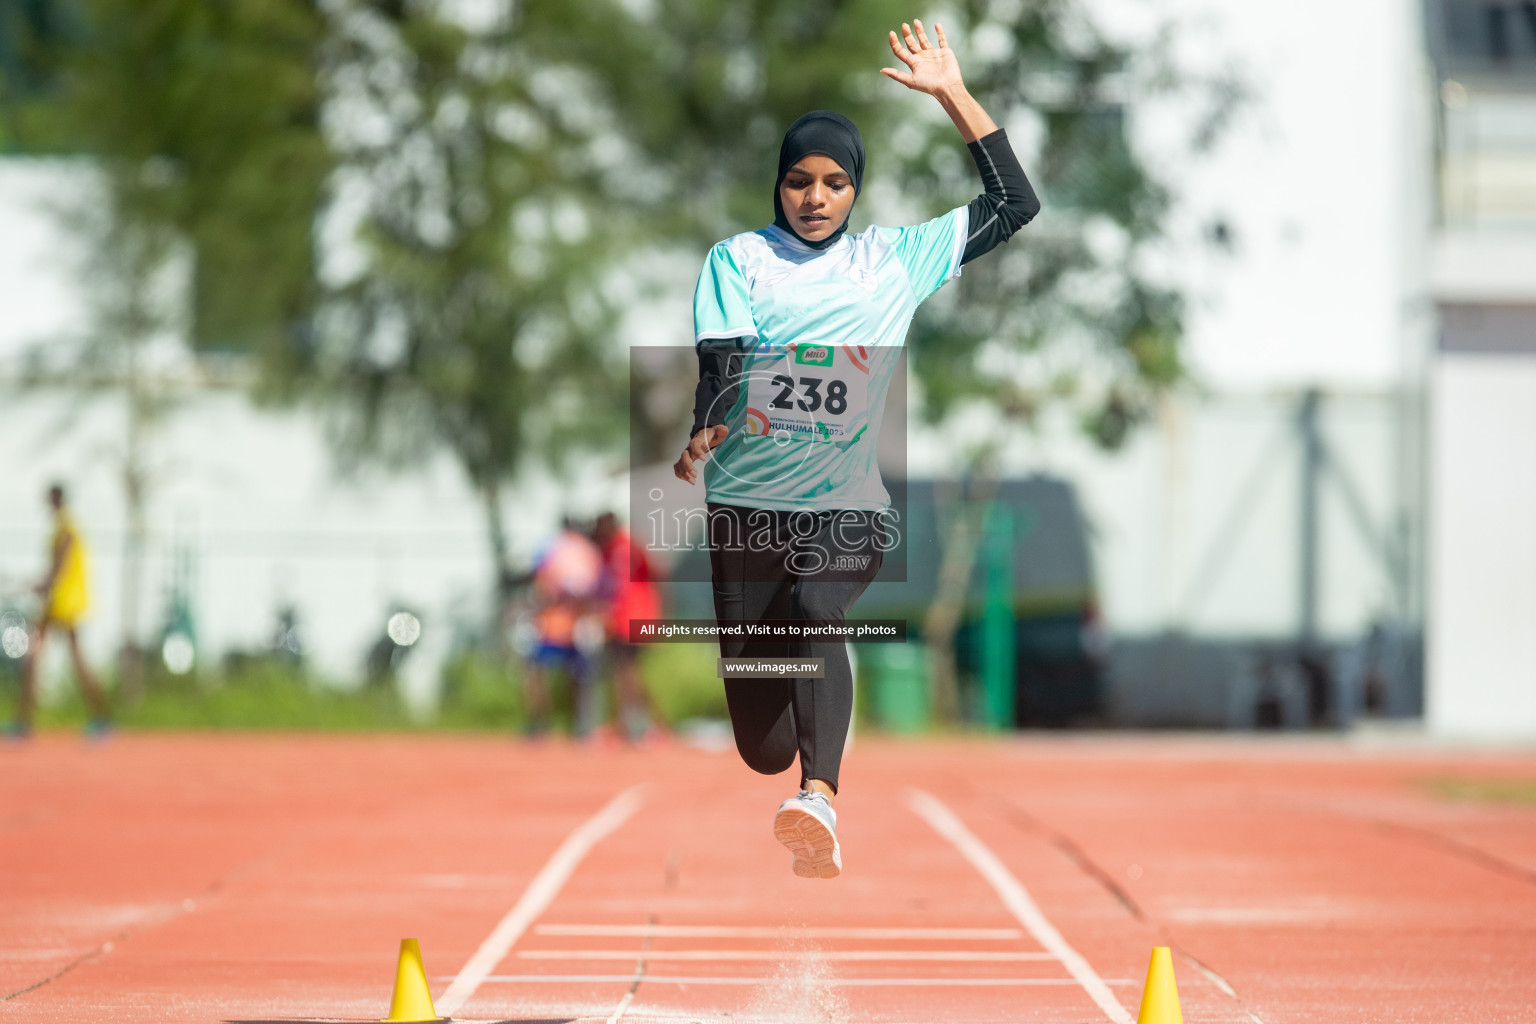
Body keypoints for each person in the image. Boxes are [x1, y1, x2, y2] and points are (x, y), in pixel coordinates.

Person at [672, 20, 1039, 878]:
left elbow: (1015, 203)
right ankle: (791, 769)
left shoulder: (895, 261)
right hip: (748, 513)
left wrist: (952, 91)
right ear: (779, 185)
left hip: (847, 510)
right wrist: (707, 425)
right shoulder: (739, 260)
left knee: (817, 602)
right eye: (799, 181)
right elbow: (719, 360)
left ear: (856, 191)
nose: (815, 196)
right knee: (759, 743)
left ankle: (821, 797)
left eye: (836, 183)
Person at [7, 484, 112, 738]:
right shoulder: (65, 525)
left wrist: (41, 584)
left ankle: (25, 722)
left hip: (64, 603)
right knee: (40, 657)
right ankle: (26, 720)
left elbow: (59, 568)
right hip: (60, 602)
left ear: (56, 499)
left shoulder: (66, 527)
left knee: (39, 657)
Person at [521, 521, 605, 738]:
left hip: (558, 625)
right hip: (567, 625)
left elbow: (541, 587)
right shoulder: (587, 551)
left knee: (542, 674)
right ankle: (575, 724)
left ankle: (545, 723)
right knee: (575, 677)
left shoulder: (553, 549)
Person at [592, 512, 665, 743]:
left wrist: (657, 617)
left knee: (627, 673)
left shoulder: (626, 547)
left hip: (635, 617)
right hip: (622, 620)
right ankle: (637, 725)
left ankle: (639, 726)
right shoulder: (609, 549)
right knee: (624, 672)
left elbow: (651, 577)